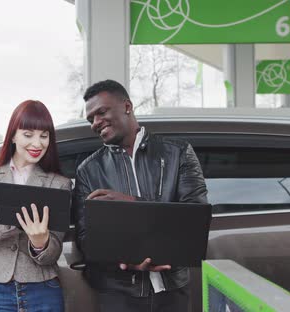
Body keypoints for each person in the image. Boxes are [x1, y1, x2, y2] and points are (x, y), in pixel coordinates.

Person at [73, 80, 208, 312]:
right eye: (90, 119)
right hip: (117, 294)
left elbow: (194, 220)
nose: (95, 123)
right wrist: (125, 260)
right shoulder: (88, 170)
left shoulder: (178, 153)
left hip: (173, 290)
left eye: (101, 112)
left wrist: (132, 203)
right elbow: (87, 239)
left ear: (127, 106)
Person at [0, 100, 72, 312]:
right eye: (28, 135)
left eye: (44, 135)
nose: (37, 143)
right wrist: (14, 217)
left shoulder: (59, 184)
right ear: (13, 135)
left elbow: (53, 253)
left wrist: (40, 243)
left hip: (42, 290)